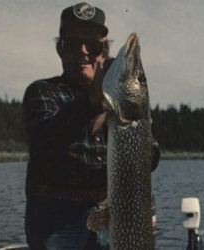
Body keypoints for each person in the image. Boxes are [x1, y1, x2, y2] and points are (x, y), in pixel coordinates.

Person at [23, 2, 160, 250]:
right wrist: (91, 101)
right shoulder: (42, 92)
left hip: (118, 214)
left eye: (93, 45)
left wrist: (141, 132)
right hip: (59, 221)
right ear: (60, 50)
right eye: (73, 44)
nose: (84, 51)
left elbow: (152, 157)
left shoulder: (120, 104)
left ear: (103, 52)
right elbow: (46, 140)